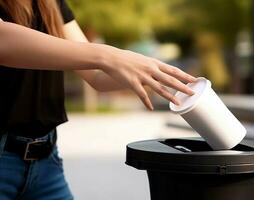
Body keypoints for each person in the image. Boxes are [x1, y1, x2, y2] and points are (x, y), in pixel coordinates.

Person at [0, 0, 197, 199]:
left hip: (46, 162)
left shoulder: (50, 3)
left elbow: (95, 75)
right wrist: (107, 55)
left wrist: (151, 71)